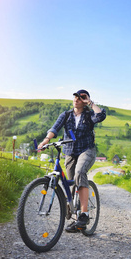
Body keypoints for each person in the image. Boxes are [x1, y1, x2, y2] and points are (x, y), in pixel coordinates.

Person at [38, 89, 106, 232]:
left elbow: (100, 116)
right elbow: (54, 128)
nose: (77, 99)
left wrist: (90, 103)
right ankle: (76, 220)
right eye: (75, 96)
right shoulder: (66, 115)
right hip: (69, 152)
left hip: (86, 150)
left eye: (81, 98)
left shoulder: (89, 115)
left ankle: (84, 215)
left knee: (80, 173)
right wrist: (46, 140)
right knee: (71, 185)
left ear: (85, 101)